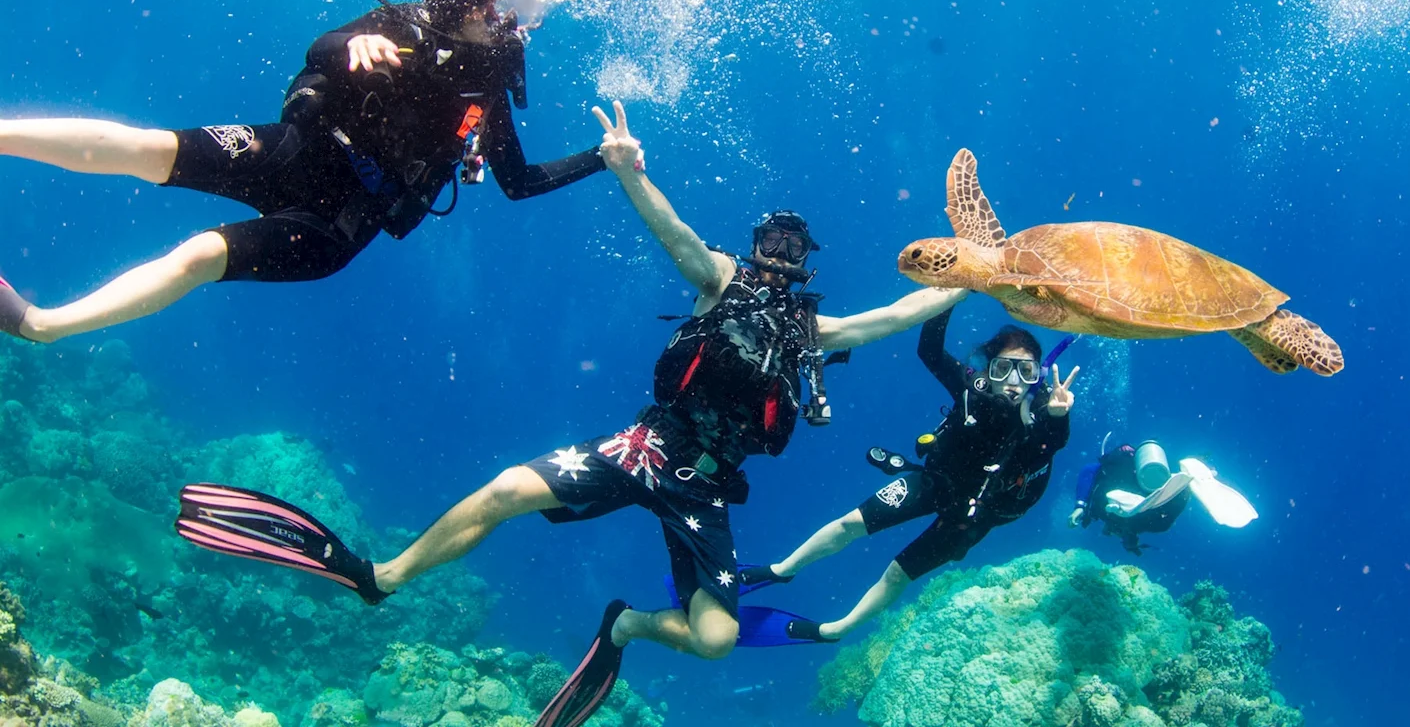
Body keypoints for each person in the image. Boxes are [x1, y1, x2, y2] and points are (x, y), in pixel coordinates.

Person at [172, 100, 967, 727]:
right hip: (647, 445)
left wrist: (974, 277)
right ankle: (383, 577)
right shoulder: (718, 278)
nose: (781, 253)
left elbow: (896, 316)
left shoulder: (813, 330)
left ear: (808, 263)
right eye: (773, 239)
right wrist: (625, 170)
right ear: (756, 242)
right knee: (505, 492)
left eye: (795, 247)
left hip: (707, 485)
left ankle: (624, 627)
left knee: (717, 642)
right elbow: (673, 230)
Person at [0, 0, 603, 343]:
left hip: (336, 220)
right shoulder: (404, 24)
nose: (517, 30)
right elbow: (321, 47)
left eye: (527, 18)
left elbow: (518, 182)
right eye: (512, 11)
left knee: (200, 256)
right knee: (150, 149)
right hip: (297, 150)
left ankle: (41, 326)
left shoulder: (485, 96)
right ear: (475, 2)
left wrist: (604, 157)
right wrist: (353, 45)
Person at [739, 306, 1077, 642]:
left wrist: (1059, 415)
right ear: (988, 370)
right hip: (935, 482)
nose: (1014, 382)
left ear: (1037, 376)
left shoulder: (1043, 409)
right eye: (1004, 368)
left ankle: (834, 630)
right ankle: (782, 570)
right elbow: (929, 350)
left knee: (897, 574)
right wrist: (949, 298)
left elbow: (1051, 443)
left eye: (1026, 371)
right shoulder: (972, 388)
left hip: (974, 516)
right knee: (850, 523)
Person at [1069, 438, 1259, 555]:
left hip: (1133, 504)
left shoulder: (1110, 507)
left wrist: (1080, 506)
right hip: (1151, 495)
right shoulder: (1132, 522)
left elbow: (1089, 470)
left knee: (1157, 522)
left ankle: (1184, 485)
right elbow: (1089, 471)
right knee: (1160, 519)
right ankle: (1187, 480)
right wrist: (1130, 541)